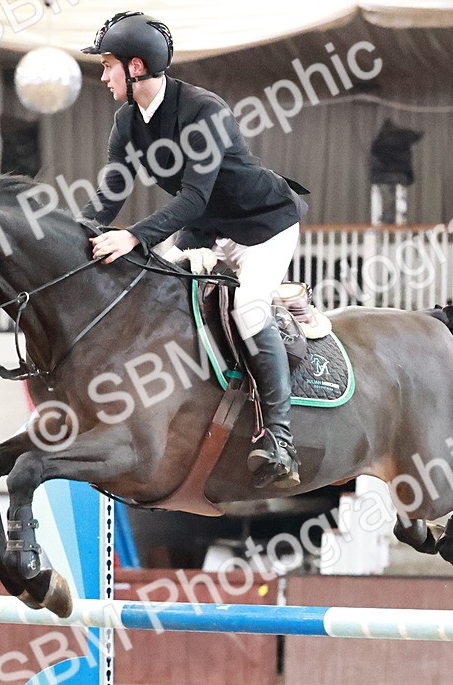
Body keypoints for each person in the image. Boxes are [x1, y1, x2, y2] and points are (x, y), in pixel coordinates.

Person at [80, 11, 308, 490]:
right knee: (156, 291)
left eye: (107, 66)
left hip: (262, 226)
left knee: (247, 311)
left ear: (136, 66)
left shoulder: (205, 110)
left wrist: (134, 236)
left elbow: (193, 198)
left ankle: (280, 438)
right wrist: (76, 234)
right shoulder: (127, 120)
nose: (102, 77)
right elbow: (112, 193)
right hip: (206, 230)